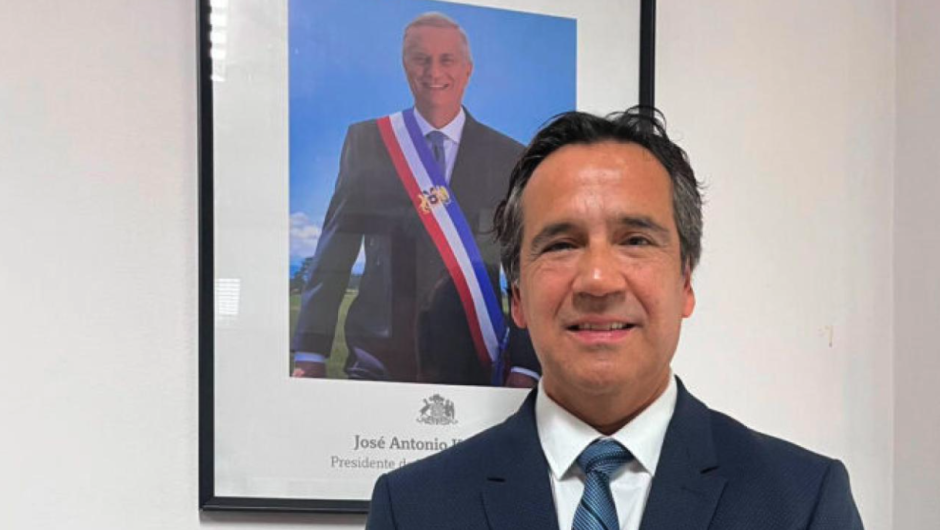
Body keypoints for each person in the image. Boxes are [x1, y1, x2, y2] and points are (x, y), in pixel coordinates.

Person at [365, 108, 864, 529]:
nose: (598, 280)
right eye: (561, 245)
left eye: (635, 240)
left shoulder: (802, 502)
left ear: (685, 282)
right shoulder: (413, 509)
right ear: (516, 295)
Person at [291, 12, 540, 386]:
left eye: (447, 59)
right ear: (405, 65)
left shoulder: (509, 156)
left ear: (468, 70)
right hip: (377, 356)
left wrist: (524, 365)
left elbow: (525, 269)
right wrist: (311, 352)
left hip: (475, 356)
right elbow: (335, 251)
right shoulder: (368, 141)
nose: (433, 71)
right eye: (421, 58)